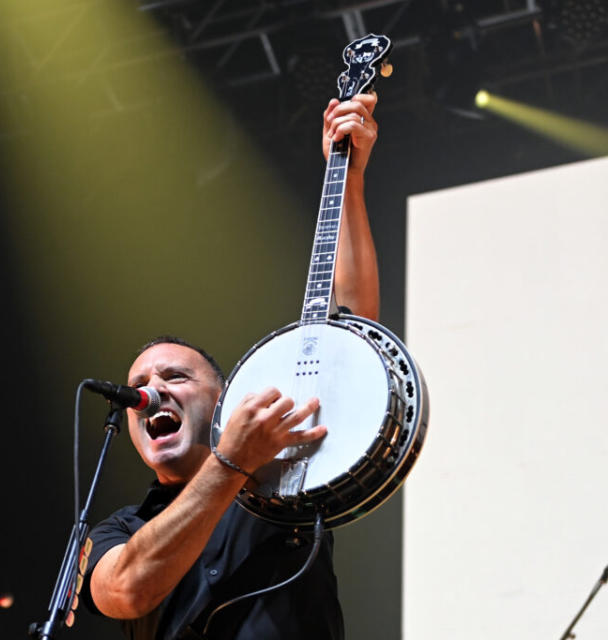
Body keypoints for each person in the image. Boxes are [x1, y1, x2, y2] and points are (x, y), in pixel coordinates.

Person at [81, 94, 382, 639]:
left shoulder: (282, 478)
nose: (151, 391)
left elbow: (354, 333)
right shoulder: (118, 530)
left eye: (175, 377)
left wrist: (349, 178)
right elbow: (126, 591)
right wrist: (229, 463)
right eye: (138, 386)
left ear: (224, 400)